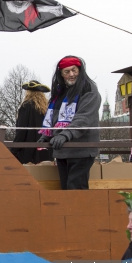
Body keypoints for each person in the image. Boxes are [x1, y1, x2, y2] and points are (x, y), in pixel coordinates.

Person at [38, 56, 101, 190]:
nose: (71, 74)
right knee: (66, 190)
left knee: (75, 190)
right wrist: (47, 135)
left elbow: (84, 118)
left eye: (74, 70)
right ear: (61, 74)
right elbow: (54, 117)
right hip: (62, 150)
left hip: (81, 150)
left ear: (80, 70)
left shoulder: (88, 89)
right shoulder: (59, 93)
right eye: (67, 72)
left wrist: (65, 135)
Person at [12, 80, 54, 164]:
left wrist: (13, 150)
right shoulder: (47, 109)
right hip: (46, 150)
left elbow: (21, 130)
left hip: (29, 152)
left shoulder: (26, 106)